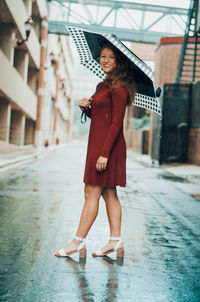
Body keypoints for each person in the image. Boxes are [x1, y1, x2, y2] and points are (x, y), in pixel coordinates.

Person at [55, 43, 136, 258]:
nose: (106, 60)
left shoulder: (119, 88)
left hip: (107, 148)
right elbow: (102, 118)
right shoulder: (103, 85)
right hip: (99, 146)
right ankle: (115, 241)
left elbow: (116, 123)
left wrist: (105, 154)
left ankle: (77, 242)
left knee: (91, 192)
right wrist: (86, 109)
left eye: (111, 57)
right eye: (103, 56)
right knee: (109, 193)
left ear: (119, 62)